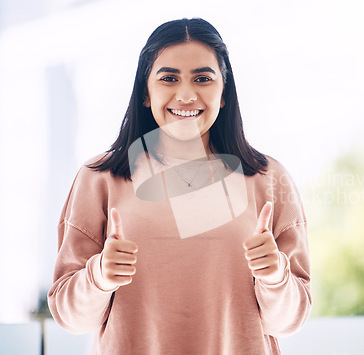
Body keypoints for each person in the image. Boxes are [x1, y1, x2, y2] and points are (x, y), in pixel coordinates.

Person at [48, 17, 311, 354]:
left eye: (203, 78)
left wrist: (275, 278)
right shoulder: (99, 178)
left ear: (224, 93)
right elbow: (71, 319)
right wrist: (98, 276)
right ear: (146, 92)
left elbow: (289, 322)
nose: (186, 94)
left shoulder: (268, 178)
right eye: (168, 78)